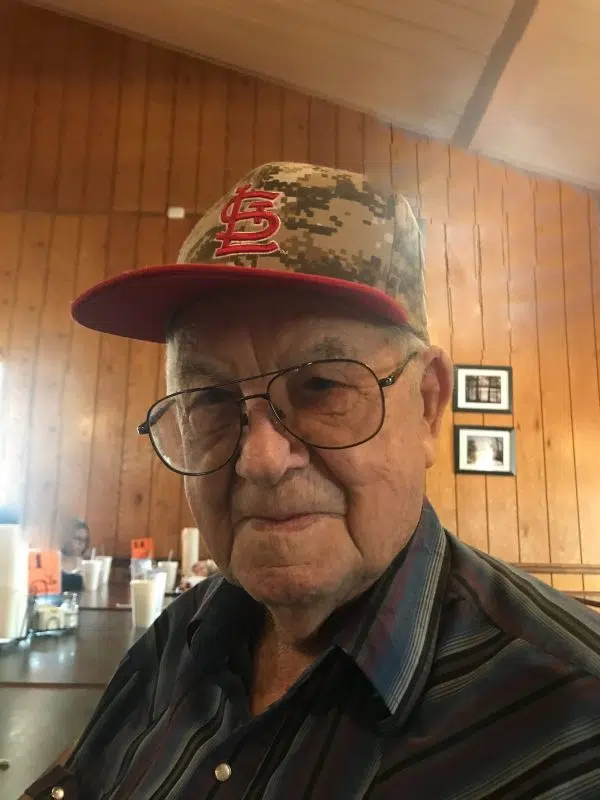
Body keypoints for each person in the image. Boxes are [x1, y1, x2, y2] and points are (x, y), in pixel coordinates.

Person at [26, 163, 600, 799]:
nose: (261, 460)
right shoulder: (177, 639)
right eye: (210, 400)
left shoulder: (573, 726)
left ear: (428, 404)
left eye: (322, 386)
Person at [60, 518, 91, 592]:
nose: (82, 544)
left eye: (85, 540)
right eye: (78, 539)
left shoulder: (84, 564)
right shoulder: (54, 562)